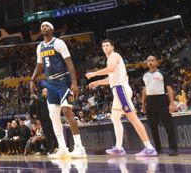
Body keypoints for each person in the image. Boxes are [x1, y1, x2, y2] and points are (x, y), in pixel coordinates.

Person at [86, 39, 158, 157]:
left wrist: (93, 74)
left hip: (121, 90)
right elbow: (111, 78)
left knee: (133, 118)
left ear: (112, 47)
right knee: (115, 117)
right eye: (103, 46)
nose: (105, 47)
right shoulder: (110, 59)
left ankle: (149, 147)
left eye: (107, 45)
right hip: (118, 90)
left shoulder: (114, 56)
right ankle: (119, 147)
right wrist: (98, 82)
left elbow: (111, 70)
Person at [29, 21, 87, 158]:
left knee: (67, 112)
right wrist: (32, 79)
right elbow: (39, 65)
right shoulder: (40, 47)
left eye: (47, 26)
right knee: (53, 116)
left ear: (52, 29)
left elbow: (69, 63)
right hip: (50, 84)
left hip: (64, 81)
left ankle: (80, 147)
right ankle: (62, 148)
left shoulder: (58, 43)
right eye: (42, 26)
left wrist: (74, 82)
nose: (44, 27)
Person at [141, 55, 178, 155]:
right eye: (148, 60)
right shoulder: (145, 75)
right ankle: (158, 149)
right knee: (153, 127)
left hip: (161, 100)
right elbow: (144, 90)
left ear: (157, 62)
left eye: (152, 60)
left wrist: (171, 103)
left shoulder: (163, 74)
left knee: (168, 125)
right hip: (150, 101)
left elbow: (169, 89)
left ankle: (173, 149)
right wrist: (143, 104)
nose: (150, 62)